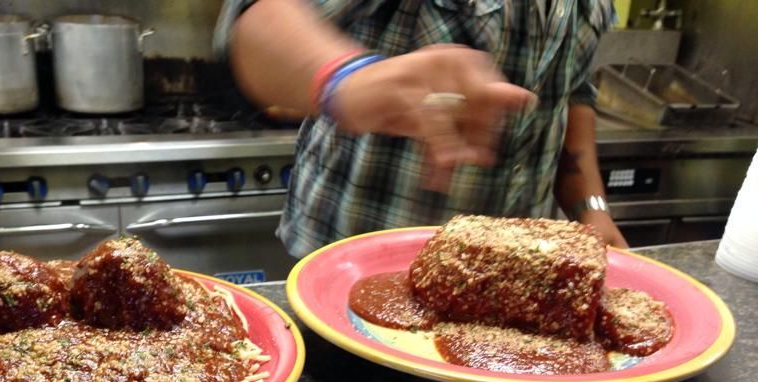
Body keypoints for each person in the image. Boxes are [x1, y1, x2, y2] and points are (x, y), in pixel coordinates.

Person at [213, 0, 628, 257]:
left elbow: (573, 91)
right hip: (354, 265)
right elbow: (252, 23)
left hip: (509, 271)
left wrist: (591, 209)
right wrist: (346, 78)